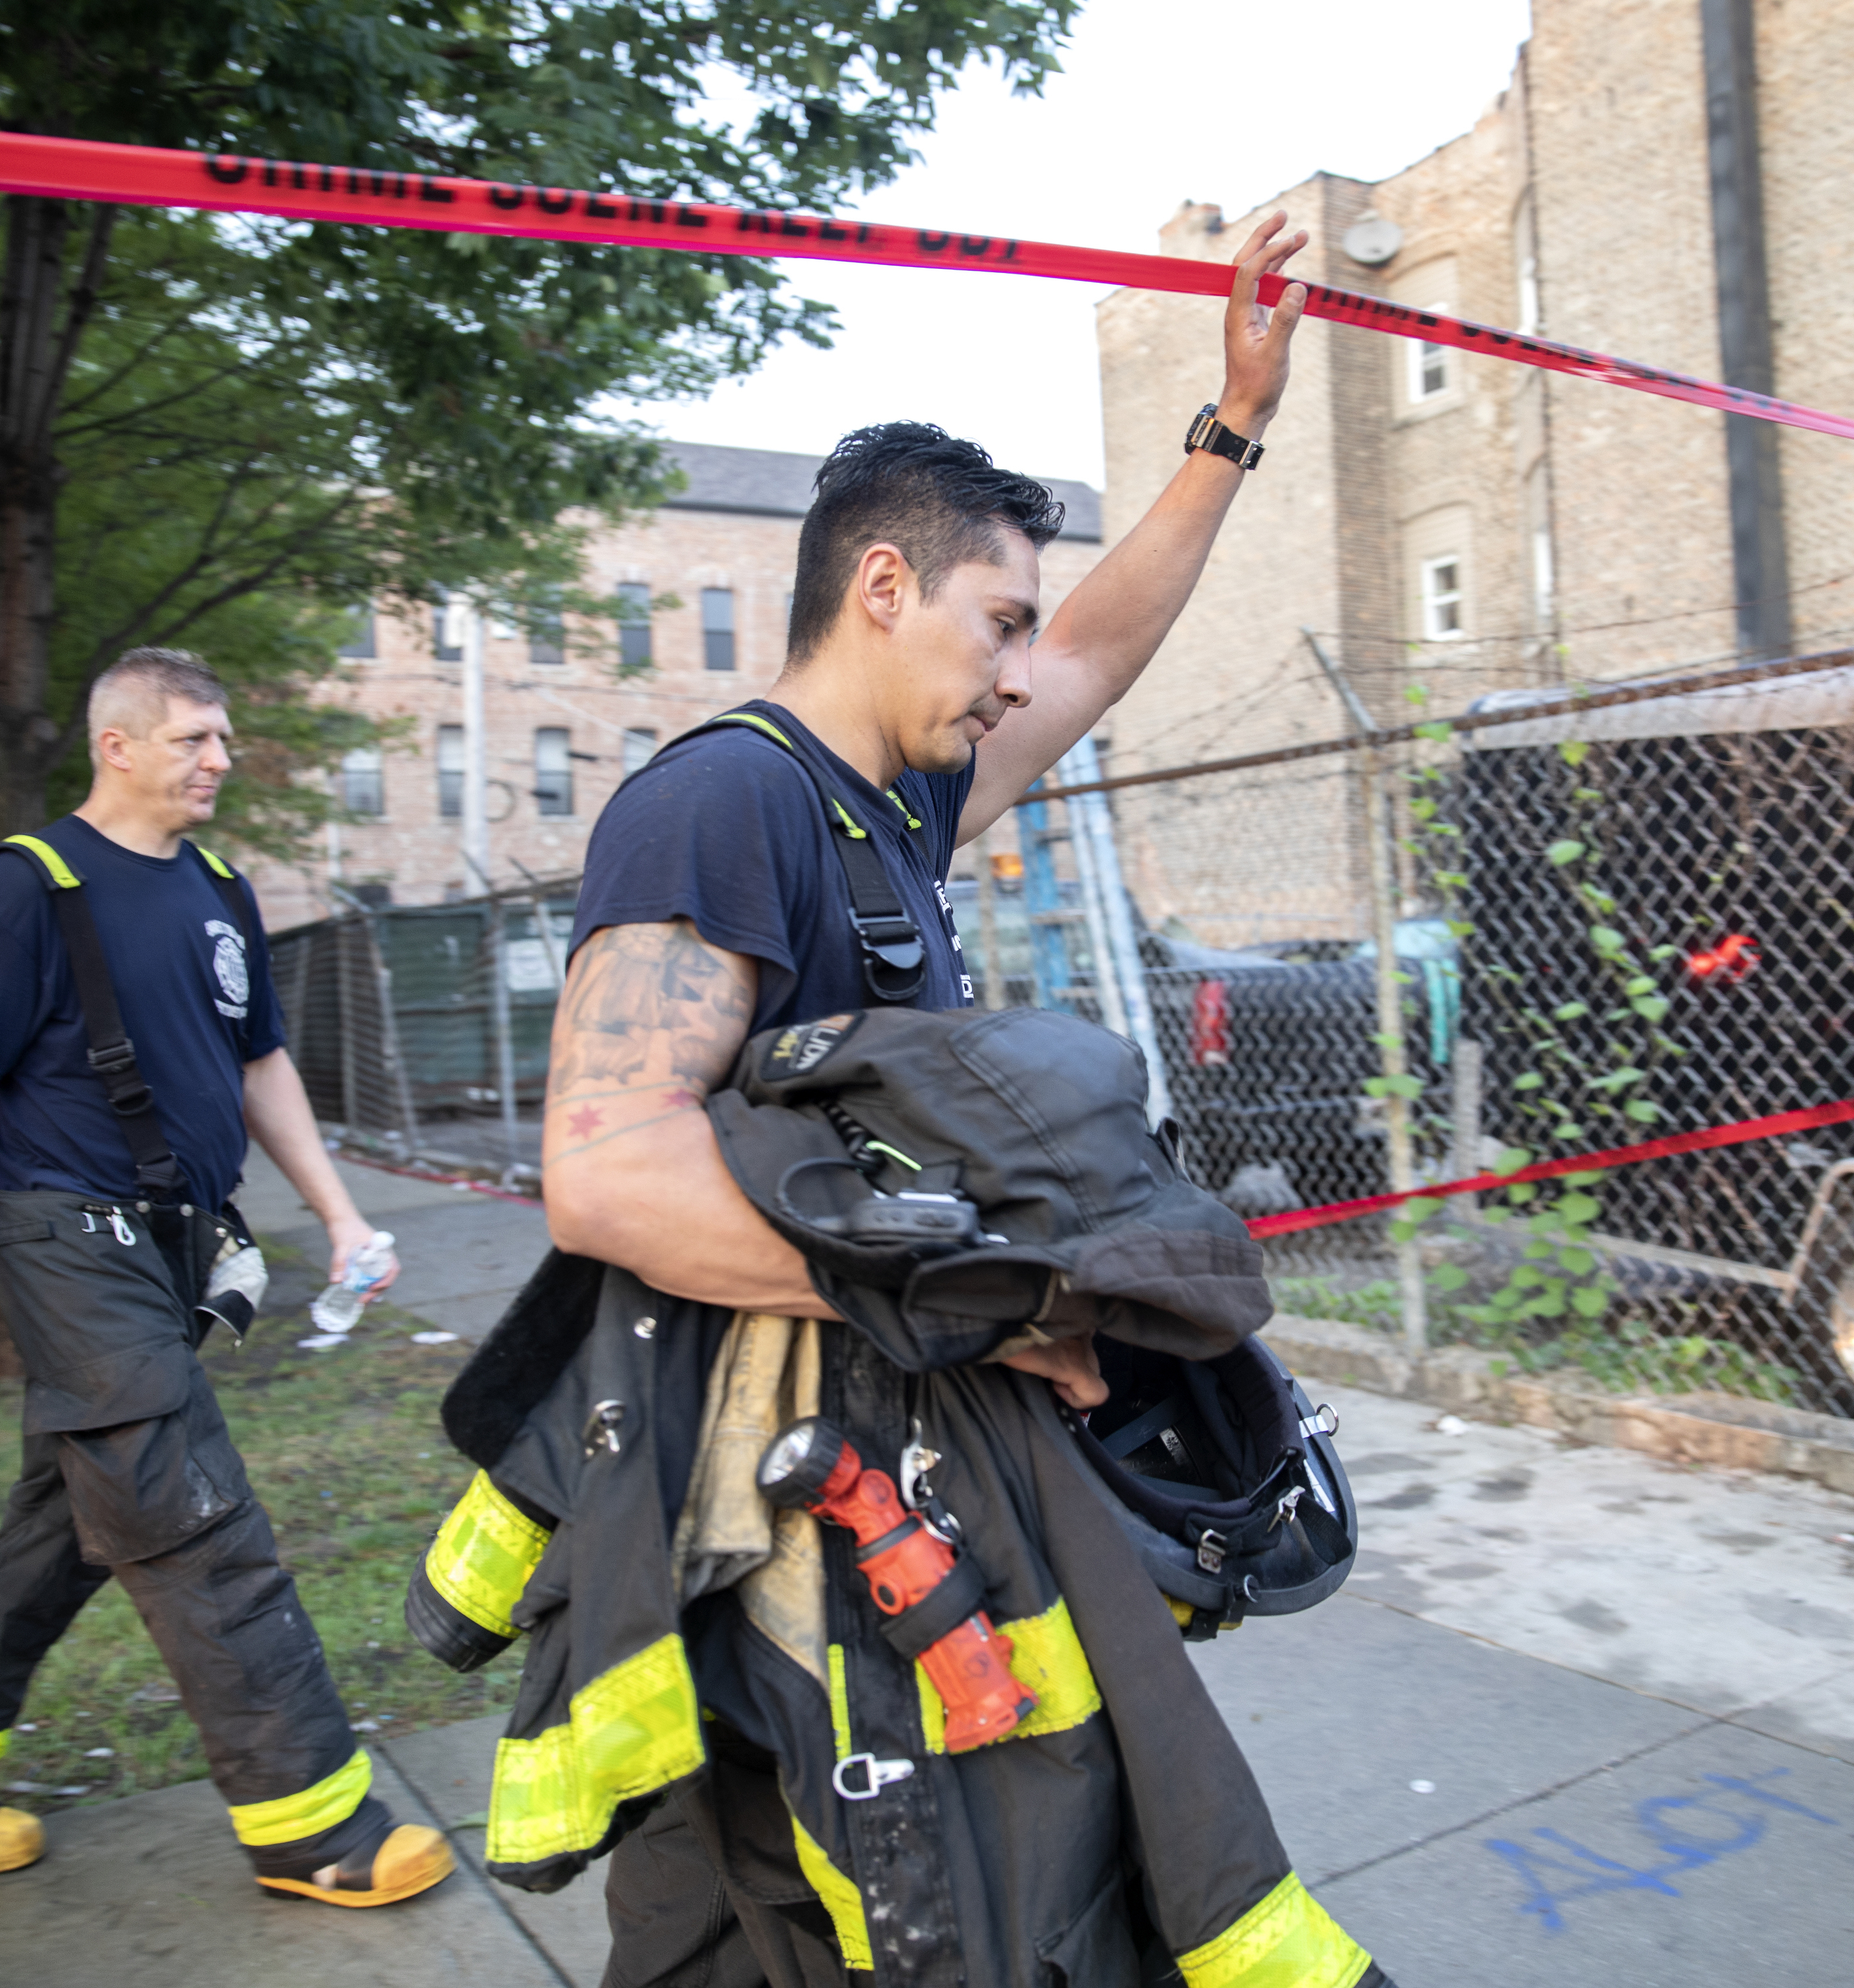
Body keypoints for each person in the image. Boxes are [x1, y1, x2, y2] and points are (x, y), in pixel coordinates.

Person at [532, 213, 1378, 1984]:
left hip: (870, 1471)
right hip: (778, 1509)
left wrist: (1227, 432)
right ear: (881, 590)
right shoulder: (721, 806)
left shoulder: (888, 806)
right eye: (991, 617)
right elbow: (606, 1174)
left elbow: (1092, 657)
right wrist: (992, 1297)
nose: (1014, 668)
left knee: (757, 1918)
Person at [0, 648, 453, 1908]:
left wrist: (341, 1217)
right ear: (116, 746)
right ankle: (308, 1820)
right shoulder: (29, 891)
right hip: (67, 1242)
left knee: (73, 1522)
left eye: (223, 737)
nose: (220, 759)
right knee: (183, 1509)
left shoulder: (222, 886)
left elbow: (260, 1066)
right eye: (194, 739)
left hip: (172, 1245)